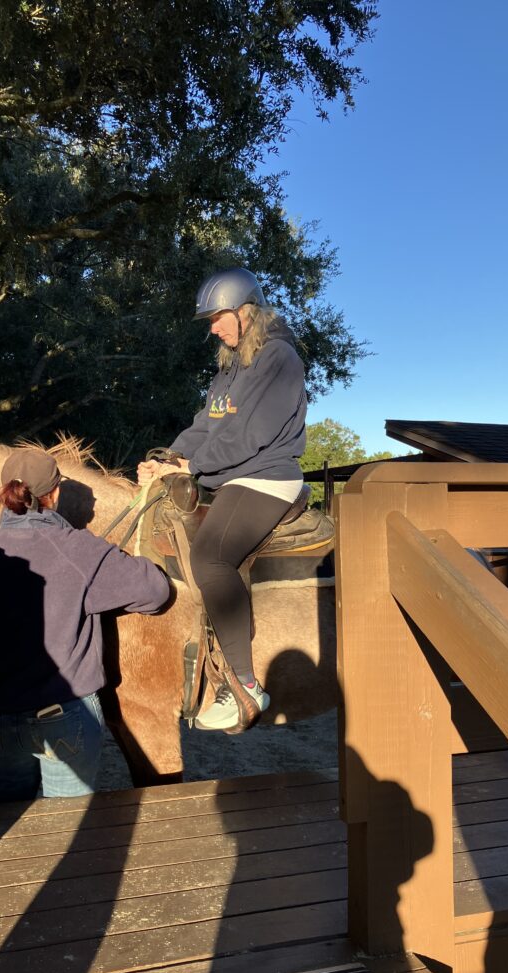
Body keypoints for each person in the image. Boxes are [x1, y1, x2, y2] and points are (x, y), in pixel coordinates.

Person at [138, 267, 306, 732]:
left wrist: (190, 466)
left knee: (210, 557)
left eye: (217, 317)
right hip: (233, 476)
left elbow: (252, 435)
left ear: (245, 310)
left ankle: (244, 686)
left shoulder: (278, 357)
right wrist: (166, 459)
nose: (212, 328)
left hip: (267, 477)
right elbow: (205, 426)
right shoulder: (230, 369)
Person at [0, 449, 170, 803]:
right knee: (68, 823)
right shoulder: (79, 549)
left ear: (6, 493)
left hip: (0, 718)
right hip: (67, 715)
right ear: (53, 494)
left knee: (4, 820)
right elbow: (156, 592)